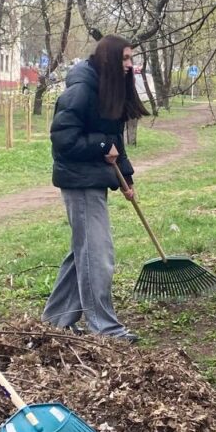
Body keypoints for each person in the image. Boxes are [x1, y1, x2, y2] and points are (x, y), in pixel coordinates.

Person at [42, 34, 148, 342]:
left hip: (93, 178)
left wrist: (126, 179)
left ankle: (56, 320)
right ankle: (104, 328)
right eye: (125, 59)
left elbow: (113, 138)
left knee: (84, 252)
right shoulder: (82, 89)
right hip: (79, 181)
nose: (130, 65)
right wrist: (101, 145)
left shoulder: (107, 85)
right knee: (98, 253)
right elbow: (63, 140)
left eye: (131, 59)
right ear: (110, 60)